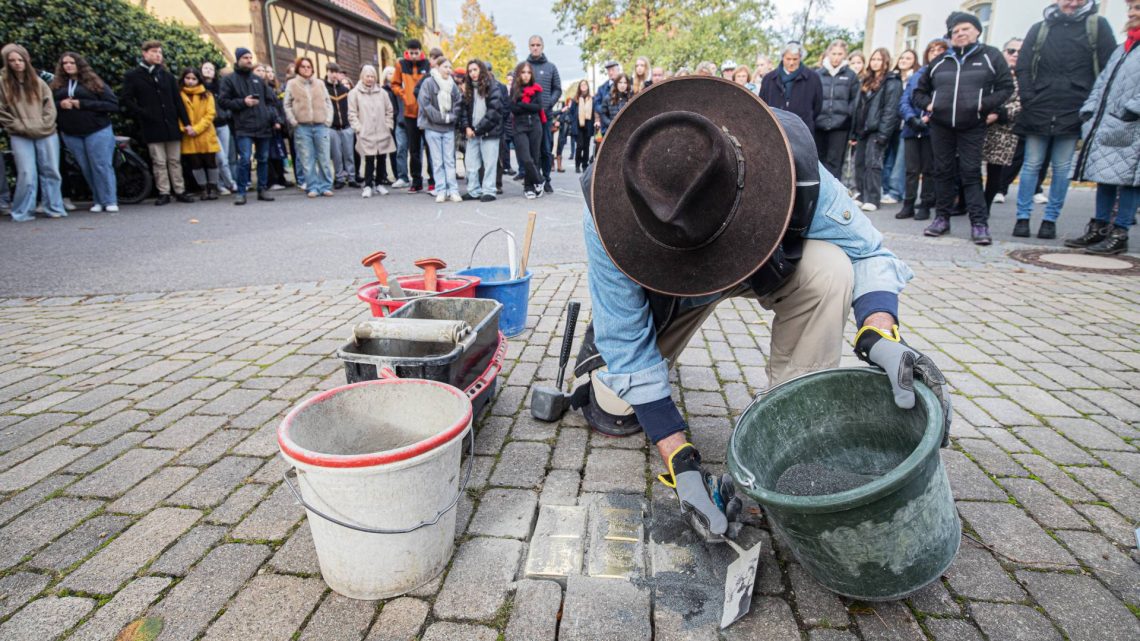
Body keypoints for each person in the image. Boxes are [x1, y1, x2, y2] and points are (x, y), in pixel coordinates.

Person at [571, 76, 949, 536]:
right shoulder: (607, 207)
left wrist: (880, 332)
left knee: (832, 269)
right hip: (668, 288)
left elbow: (869, 251)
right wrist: (682, 463)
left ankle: (789, 424)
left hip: (764, 258)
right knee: (617, 409)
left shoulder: (792, 163)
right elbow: (627, 340)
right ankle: (614, 383)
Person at [1014, 0, 1116, 239]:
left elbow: (1107, 69)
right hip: (1039, 106)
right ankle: (1022, 217)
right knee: (1031, 165)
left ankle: (1050, 219)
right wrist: (1029, 96)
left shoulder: (1096, 26)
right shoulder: (1040, 28)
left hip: (1074, 107)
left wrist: (1090, 104)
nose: (1071, 3)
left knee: (1061, 168)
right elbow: (1024, 65)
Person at [913, 12, 1014, 243]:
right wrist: (929, 104)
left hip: (972, 125)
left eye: (965, 29)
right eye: (955, 31)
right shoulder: (940, 61)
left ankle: (979, 224)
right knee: (942, 172)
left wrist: (982, 105)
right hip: (941, 126)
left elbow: (1006, 88)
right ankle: (941, 219)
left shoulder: (991, 56)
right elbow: (919, 92)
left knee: (970, 173)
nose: (960, 34)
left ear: (977, 31)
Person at [1069, 0, 1140, 255]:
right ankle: (1099, 227)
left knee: (1130, 181)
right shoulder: (1124, 48)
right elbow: (1102, 82)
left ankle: (1120, 232)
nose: (1132, 13)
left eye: (1138, 9)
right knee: (1104, 175)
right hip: (1107, 123)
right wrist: (1089, 110)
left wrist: (1132, 109)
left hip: (1132, 125)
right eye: (1131, 9)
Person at [120, 40, 193, 205]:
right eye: (154, 52)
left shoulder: (167, 76)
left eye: (159, 52)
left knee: (175, 160)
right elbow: (126, 99)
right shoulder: (133, 76)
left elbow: (178, 101)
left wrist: (186, 122)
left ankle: (180, 190)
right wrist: (143, 113)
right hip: (151, 125)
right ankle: (164, 192)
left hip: (171, 124)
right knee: (159, 161)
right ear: (144, 54)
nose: (158, 55)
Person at [0, 43, 67, 221]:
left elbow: (50, 107)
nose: (17, 63)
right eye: (12, 60)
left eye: (20, 59)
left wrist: (44, 124)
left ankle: (54, 207)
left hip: (47, 132)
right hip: (20, 133)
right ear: (7, 62)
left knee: (51, 170)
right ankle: (23, 211)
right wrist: (19, 126)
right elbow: (2, 112)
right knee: (26, 173)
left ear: (26, 60)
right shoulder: (3, 84)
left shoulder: (38, 82)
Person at [51, 52, 119, 212]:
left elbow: (112, 105)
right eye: (65, 63)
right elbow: (48, 105)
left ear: (79, 64)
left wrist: (82, 104)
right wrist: (60, 104)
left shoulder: (93, 82)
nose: (68, 66)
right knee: (86, 167)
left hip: (97, 130)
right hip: (71, 132)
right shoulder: (57, 85)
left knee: (101, 165)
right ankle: (98, 200)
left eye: (71, 63)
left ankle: (110, 199)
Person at [218, 47, 278, 205]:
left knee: (263, 159)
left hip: (263, 126)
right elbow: (223, 102)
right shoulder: (229, 79)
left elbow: (271, 101)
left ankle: (262, 189)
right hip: (243, 126)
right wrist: (243, 102)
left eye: (250, 57)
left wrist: (271, 117)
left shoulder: (258, 79)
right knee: (244, 159)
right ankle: (241, 192)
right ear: (238, 59)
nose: (249, 60)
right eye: (245, 57)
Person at [898, 39, 949, 221]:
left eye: (940, 50)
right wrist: (911, 118)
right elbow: (904, 100)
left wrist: (929, 118)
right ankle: (908, 203)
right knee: (911, 170)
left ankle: (925, 205)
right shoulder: (916, 75)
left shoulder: (946, 75)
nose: (935, 53)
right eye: (932, 50)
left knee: (929, 170)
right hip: (912, 128)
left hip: (933, 129)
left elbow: (945, 101)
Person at [851, 48, 902, 212]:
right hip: (862, 129)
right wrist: (854, 131)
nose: (875, 62)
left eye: (879, 59)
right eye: (873, 59)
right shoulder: (866, 80)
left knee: (873, 164)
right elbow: (858, 107)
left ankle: (872, 197)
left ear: (885, 62)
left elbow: (890, 110)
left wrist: (883, 133)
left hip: (877, 129)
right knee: (859, 163)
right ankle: (861, 194)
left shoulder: (892, 81)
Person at [982, 41, 1023, 231]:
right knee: (969, 167)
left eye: (1019, 51)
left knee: (995, 171)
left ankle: (985, 206)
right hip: (980, 125)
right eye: (1011, 50)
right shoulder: (991, 73)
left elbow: (1022, 104)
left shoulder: (1023, 77)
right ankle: (965, 202)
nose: (1015, 54)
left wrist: (999, 113)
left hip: (1003, 129)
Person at [284, 56, 334, 198]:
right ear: (298, 69)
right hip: (302, 126)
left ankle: (325, 186)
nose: (306, 69)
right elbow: (287, 104)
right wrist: (293, 121)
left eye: (309, 67)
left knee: (324, 157)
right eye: (303, 67)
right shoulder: (292, 84)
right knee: (307, 158)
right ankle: (312, 186)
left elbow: (328, 102)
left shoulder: (319, 84)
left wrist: (328, 120)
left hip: (321, 125)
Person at [347, 65, 395, 199]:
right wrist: (358, 128)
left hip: (382, 130)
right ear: (362, 76)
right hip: (365, 132)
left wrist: (388, 126)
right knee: (369, 159)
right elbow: (352, 113)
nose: (370, 79)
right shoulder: (354, 93)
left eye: (372, 76)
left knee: (382, 158)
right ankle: (368, 185)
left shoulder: (382, 93)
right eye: (367, 76)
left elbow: (389, 111)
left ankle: (379, 183)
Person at [418, 57, 462, 203]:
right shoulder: (428, 83)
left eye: (450, 67)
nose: (448, 70)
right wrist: (441, 118)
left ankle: (453, 190)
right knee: (437, 161)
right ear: (437, 67)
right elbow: (425, 104)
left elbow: (458, 102)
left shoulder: (453, 85)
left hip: (448, 128)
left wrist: (450, 117)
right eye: (445, 67)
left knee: (450, 160)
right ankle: (441, 190)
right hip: (432, 128)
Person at [457, 59, 502, 202]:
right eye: (470, 71)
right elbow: (463, 111)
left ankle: (489, 190)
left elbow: (494, 112)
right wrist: (467, 127)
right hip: (472, 133)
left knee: (489, 163)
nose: (473, 73)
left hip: (489, 132)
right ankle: (473, 190)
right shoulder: (468, 89)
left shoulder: (492, 87)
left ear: (481, 70)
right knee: (471, 163)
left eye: (475, 70)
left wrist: (478, 129)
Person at [815, 39, 859, 180]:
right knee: (818, 162)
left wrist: (849, 122)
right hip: (819, 125)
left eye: (840, 54)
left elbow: (854, 102)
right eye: (833, 53)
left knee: (835, 163)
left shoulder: (851, 76)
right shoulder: (818, 74)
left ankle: (835, 196)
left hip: (840, 126)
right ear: (828, 53)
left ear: (845, 55)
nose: (836, 57)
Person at [392, 40, 432, 193]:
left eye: (416, 53)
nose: (414, 56)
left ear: (420, 52)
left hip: (425, 113)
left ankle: (432, 180)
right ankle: (416, 181)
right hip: (409, 113)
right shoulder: (401, 64)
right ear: (407, 51)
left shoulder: (427, 64)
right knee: (413, 149)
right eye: (411, 52)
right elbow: (394, 84)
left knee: (429, 148)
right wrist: (403, 94)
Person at [525, 35, 562, 194]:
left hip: (545, 115)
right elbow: (517, 87)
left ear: (542, 46)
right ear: (529, 47)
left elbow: (557, 89)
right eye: (532, 45)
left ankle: (546, 179)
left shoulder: (551, 67)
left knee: (546, 149)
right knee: (531, 151)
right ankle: (533, 180)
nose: (535, 47)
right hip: (528, 116)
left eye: (538, 44)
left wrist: (548, 103)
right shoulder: (524, 67)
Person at [758, 42, 823, 131]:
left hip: (802, 129)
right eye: (788, 59)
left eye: (795, 59)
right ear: (782, 58)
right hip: (775, 129)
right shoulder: (769, 79)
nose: (791, 63)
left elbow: (817, 106)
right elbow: (762, 104)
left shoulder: (813, 78)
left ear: (800, 58)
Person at [882, 49, 919, 204]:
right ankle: (886, 189)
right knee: (888, 158)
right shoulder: (893, 78)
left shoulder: (916, 78)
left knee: (901, 161)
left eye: (908, 58)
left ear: (914, 61)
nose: (904, 60)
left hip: (907, 125)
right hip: (893, 125)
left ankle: (896, 191)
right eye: (902, 57)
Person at [178, 68, 220, 200]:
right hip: (188, 133)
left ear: (198, 80)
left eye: (193, 79)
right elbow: (176, 113)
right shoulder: (179, 94)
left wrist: (196, 128)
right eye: (188, 78)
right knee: (195, 163)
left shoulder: (206, 94)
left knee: (210, 161)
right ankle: (203, 188)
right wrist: (185, 128)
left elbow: (210, 113)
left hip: (205, 132)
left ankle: (212, 188)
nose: (190, 81)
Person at [510, 61, 546, 199]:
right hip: (520, 127)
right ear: (519, 74)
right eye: (523, 72)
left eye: (528, 72)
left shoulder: (537, 88)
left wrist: (522, 104)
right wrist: (527, 106)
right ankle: (539, 180)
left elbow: (538, 107)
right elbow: (513, 108)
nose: (526, 75)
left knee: (535, 158)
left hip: (535, 126)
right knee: (526, 158)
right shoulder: (514, 89)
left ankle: (529, 187)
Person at [201, 61, 237, 195]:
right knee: (219, 158)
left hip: (223, 125)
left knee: (225, 157)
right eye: (206, 68)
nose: (208, 70)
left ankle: (223, 184)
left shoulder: (220, 87)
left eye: (211, 68)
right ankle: (228, 184)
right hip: (208, 127)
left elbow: (226, 102)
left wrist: (226, 114)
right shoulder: (199, 88)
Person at [322, 63, 356, 189]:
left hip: (346, 127)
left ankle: (352, 177)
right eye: (331, 71)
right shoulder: (324, 90)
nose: (334, 74)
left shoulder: (345, 91)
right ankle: (340, 178)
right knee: (336, 155)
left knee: (349, 154)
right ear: (327, 72)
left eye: (336, 72)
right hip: (332, 128)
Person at [381, 66, 403, 186]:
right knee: (384, 150)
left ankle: (397, 174)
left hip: (397, 121)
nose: (391, 75)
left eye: (393, 73)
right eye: (388, 73)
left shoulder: (397, 89)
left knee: (396, 150)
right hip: (386, 122)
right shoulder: (382, 90)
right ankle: (383, 175)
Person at [572, 79, 594, 173]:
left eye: (585, 85)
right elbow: (571, 112)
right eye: (582, 85)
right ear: (579, 87)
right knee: (579, 146)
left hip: (588, 125)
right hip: (578, 126)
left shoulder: (591, 98)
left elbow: (593, 111)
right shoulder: (576, 99)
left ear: (588, 86)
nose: (584, 86)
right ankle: (577, 165)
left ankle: (585, 165)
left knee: (586, 146)